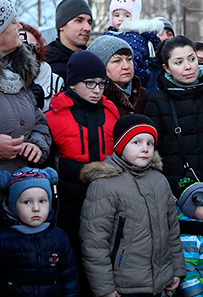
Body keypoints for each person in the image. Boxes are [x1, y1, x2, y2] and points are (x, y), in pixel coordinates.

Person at [80, 113, 186, 297]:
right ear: (121, 146)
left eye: (149, 143)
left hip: (161, 283)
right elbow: (94, 243)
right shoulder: (104, 185)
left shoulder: (160, 181)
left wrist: (176, 270)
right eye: (136, 142)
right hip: (124, 286)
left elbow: (172, 231)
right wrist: (105, 289)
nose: (145, 149)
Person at [45, 51, 119, 279]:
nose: (97, 90)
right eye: (90, 83)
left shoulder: (111, 111)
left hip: (108, 204)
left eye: (101, 84)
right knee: (73, 266)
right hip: (68, 208)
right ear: (73, 83)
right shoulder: (54, 116)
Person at [143, 35, 203, 196]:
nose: (188, 67)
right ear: (167, 68)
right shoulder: (157, 101)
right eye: (179, 62)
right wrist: (181, 190)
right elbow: (155, 151)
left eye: (192, 59)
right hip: (175, 190)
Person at [0, 163, 80, 297]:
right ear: (13, 205)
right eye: (27, 202)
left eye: (42, 201)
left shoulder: (59, 238)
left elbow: (69, 279)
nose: (36, 208)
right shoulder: (3, 239)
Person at [0, 0, 51, 176]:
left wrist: (36, 145)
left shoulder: (17, 74)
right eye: (13, 22)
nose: (20, 25)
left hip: (24, 192)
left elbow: (39, 123)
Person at [89, 34, 154, 118]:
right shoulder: (95, 96)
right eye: (117, 61)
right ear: (101, 66)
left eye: (129, 59)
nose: (126, 66)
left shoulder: (142, 95)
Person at [45, 0, 93, 86]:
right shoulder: (45, 65)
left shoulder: (93, 63)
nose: (87, 28)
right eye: (79, 21)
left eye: (89, 22)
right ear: (61, 25)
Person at [17, 22, 63, 111]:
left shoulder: (56, 82)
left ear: (38, 50)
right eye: (21, 47)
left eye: (30, 47)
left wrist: (42, 106)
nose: (26, 53)